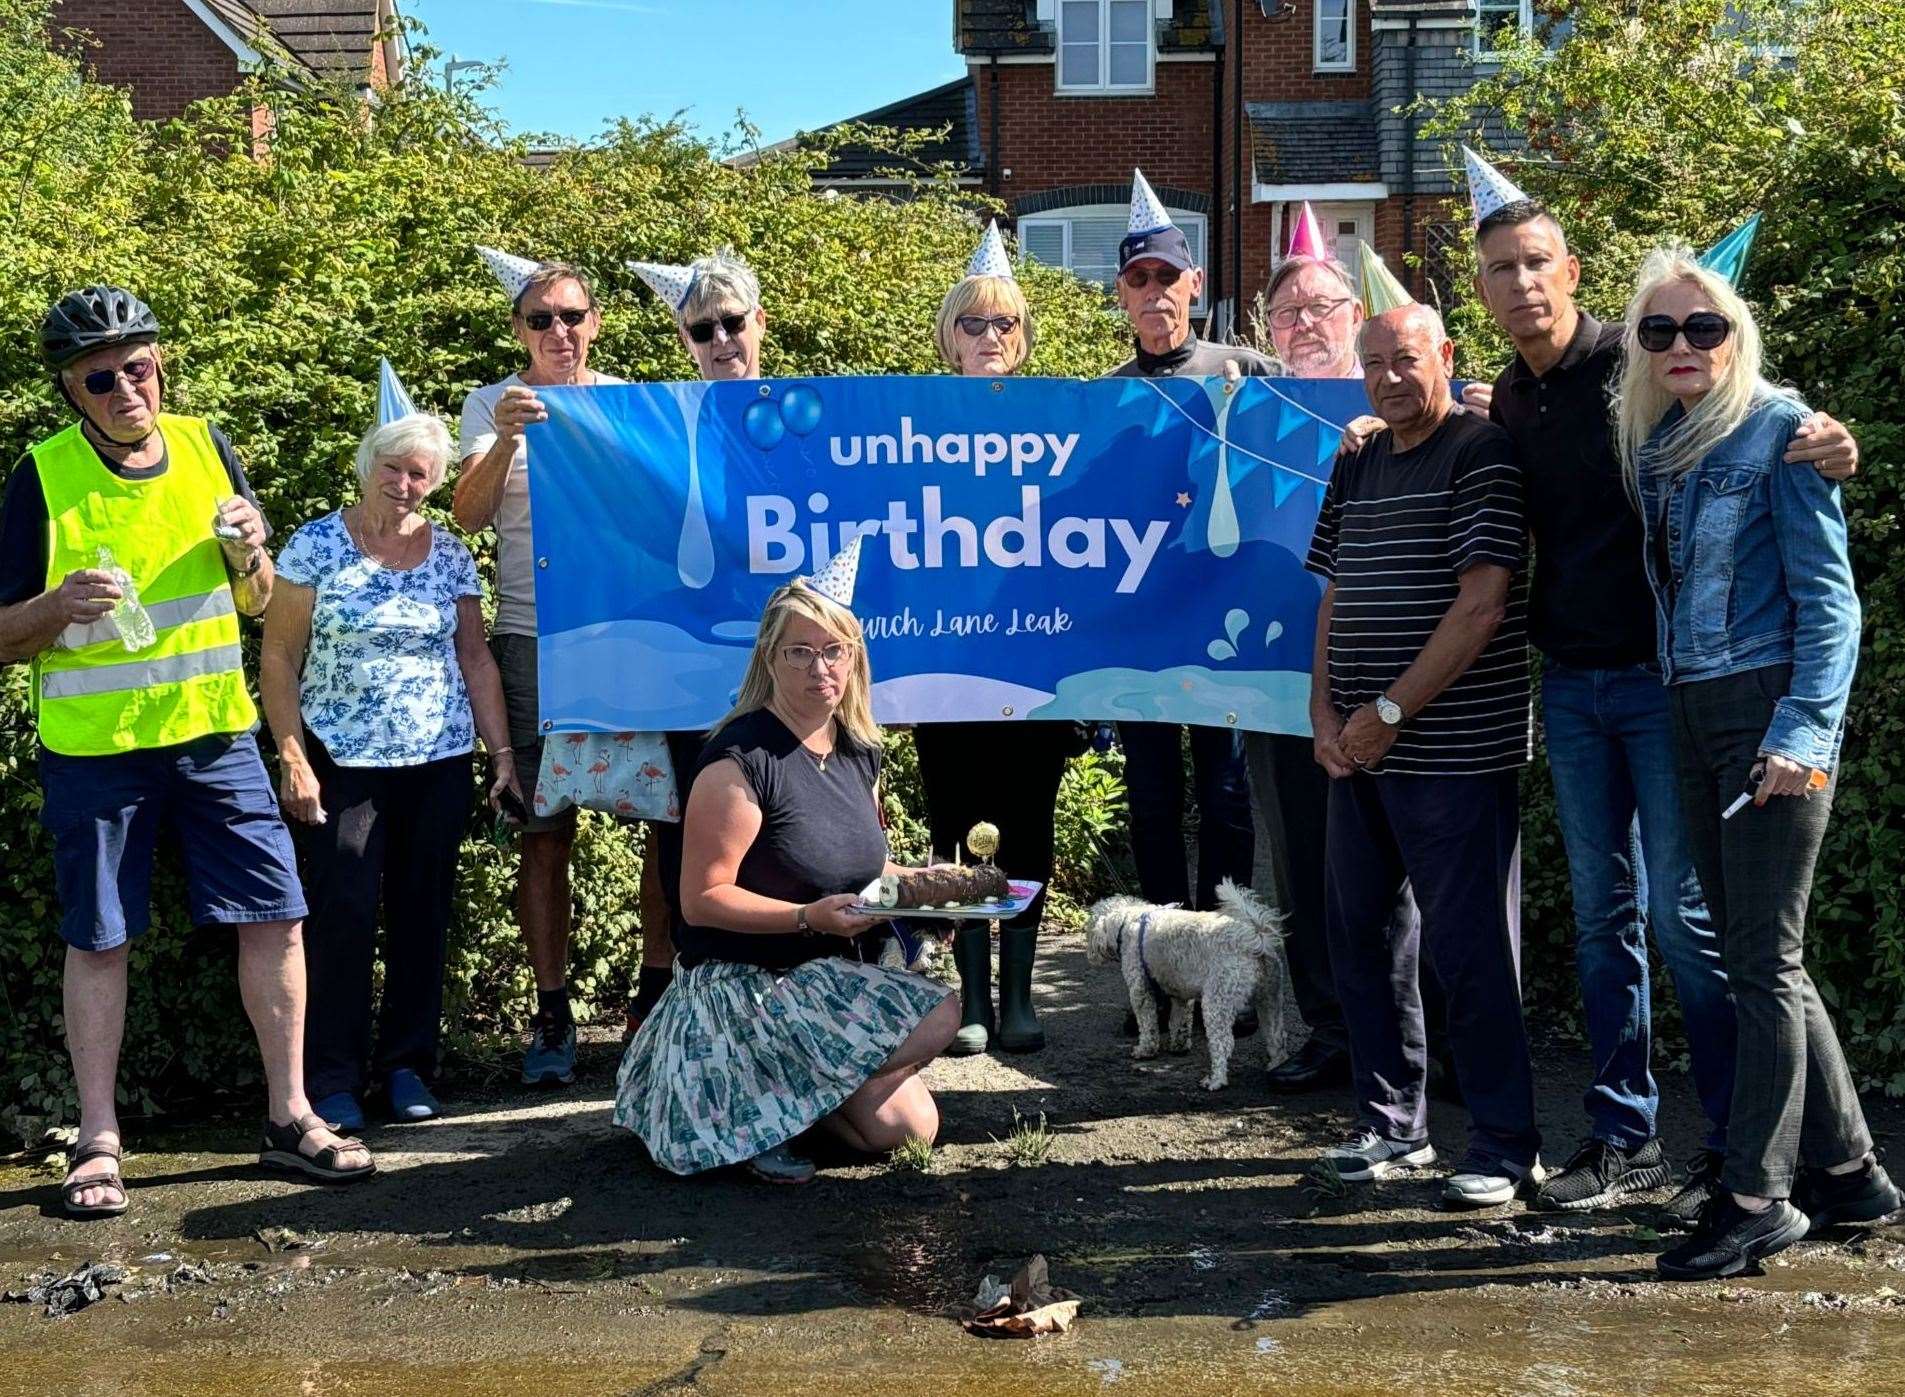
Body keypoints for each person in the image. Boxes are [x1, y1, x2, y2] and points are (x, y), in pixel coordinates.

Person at [1460, 150, 1862, 1217]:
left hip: (1675, 687)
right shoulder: (1503, 397)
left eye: (1536, 261)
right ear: (1484, 284)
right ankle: (1625, 1137)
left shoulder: (1636, 363)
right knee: (1603, 920)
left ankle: (1738, 1151)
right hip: (1576, 684)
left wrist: (1824, 438)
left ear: (1573, 268)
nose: (1522, 283)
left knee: (1699, 931)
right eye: (1500, 268)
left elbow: (1752, 422)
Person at [0, 287, 374, 1215]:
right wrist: (55, 608)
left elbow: (256, 601)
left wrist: (255, 554)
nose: (127, 386)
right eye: (102, 376)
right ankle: (97, 1141)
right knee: (100, 938)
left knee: (277, 917)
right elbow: (4, 635)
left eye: (139, 366)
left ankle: (289, 1119)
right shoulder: (39, 476)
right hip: (98, 750)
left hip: (215, 734)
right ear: (70, 390)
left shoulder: (209, 447)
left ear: (160, 364)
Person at [1613, 248, 1901, 1279]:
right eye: (1660, 331)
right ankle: (1854, 1173)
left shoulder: (1783, 429)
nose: (1682, 345)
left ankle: (1755, 1197)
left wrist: (1801, 732)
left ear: (1736, 334)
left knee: (1762, 961)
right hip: (1690, 702)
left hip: (1765, 710)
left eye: (1704, 328)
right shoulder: (1659, 441)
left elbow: (1834, 603)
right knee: (1762, 955)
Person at [611, 542, 959, 1185]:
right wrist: (807, 917)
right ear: (769, 659)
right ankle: (743, 1098)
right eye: (799, 651)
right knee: (939, 1012)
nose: (818, 667)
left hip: (820, 975)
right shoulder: (736, 759)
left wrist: (929, 885)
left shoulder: (857, 749)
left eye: (833, 650)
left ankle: (785, 1106)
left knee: (907, 1130)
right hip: (742, 985)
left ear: (855, 659)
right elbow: (701, 899)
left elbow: (867, 868)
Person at [1308, 301, 1540, 1209]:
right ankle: (1391, 1124)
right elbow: (1333, 590)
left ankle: (1502, 1144)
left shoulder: (1481, 452)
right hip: (1357, 749)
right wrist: (1322, 710)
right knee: (1360, 937)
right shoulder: (1359, 458)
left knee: (1470, 948)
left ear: (1444, 354)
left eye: (1404, 359)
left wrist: (1390, 710)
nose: (1387, 379)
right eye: (1371, 364)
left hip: (1451, 749)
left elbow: (1481, 606)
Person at [260, 410, 522, 1129]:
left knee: (421, 914)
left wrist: (500, 755)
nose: (404, 484)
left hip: (438, 761)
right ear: (368, 463)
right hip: (342, 761)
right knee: (339, 916)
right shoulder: (315, 544)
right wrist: (290, 755)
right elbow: (279, 657)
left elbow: (474, 657)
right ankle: (332, 1078)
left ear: (435, 484)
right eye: (394, 468)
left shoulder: (450, 556)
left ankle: (407, 1066)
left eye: (421, 475)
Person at [452, 250, 626, 1086]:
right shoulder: (489, 405)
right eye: (540, 319)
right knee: (544, 828)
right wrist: (506, 439)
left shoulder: (633, 403)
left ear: (595, 322)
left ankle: (656, 1001)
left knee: (665, 825)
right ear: (518, 330)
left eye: (571, 315)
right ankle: (551, 1012)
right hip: (530, 637)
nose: (559, 331)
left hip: (630, 636)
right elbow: (467, 516)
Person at [910, 222, 1079, 1056]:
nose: (988, 337)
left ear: (1023, 337)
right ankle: (972, 993)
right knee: (957, 828)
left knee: (1027, 828)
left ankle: (1018, 992)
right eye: (972, 324)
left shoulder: (1061, 418)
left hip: (1035, 670)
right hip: (942, 673)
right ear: (948, 336)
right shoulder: (909, 420)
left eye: (1003, 324)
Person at [622, 247, 774, 1043]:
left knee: (796, 832)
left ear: (759, 325)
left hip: (792, 676)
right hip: (690, 673)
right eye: (701, 329)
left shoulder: (821, 413)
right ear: (684, 340)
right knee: (692, 841)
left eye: (731, 322)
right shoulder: (659, 420)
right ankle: (700, 1018)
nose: (719, 338)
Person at [1106, 171, 1258, 924]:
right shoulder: (1102, 394)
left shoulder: (1247, 371)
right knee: (1152, 801)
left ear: (1193, 284)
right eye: (1140, 279)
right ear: (1121, 294)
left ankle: (1226, 953)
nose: (1154, 291)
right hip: (1142, 631)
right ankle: (1163, 956)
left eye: (1168, 276)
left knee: (1230, 801)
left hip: (1227, 629)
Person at [1246, 232, 1363, 1093]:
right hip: (1272, 679)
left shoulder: (1408, 393)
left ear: (1355, 315)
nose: (1305, 323)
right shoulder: (1244, 411)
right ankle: (1330, 1027)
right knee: (1300, 862)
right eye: (1287, 312)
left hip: (1392, 679)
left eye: (1321, 306)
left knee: (1401, 864)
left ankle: (1416, 1032)